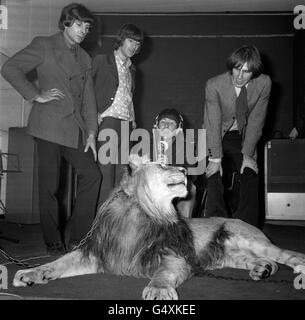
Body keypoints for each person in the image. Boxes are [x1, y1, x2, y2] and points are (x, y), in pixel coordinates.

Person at [1, 3, 102, 254]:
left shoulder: (86, 58)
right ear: (66, 23)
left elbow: (89, 99)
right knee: (50, 186)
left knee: (93, 175)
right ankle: (53, 241)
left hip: (75, 128)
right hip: (48, 125)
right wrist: (36, 95)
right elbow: (9, 68)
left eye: (87, 27)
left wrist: (91, 133)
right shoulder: (44, 44)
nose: (83, 31)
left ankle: (80, 239)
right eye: (79, 25)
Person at [203, 45, 271, 227]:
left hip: (243, 134)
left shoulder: (264, 83)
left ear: (254, 72)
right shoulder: (214, 85)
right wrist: (215, 158)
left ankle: (247, 227)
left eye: (247, 72)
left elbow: (257, 120)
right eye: (236, 69)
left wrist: (248, 155)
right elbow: (212, 122)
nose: (240, 76)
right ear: (231, 67)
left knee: (250, 172)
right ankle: (217, 224)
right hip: (216, 133)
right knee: (214, 173)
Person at [92, 23, 144, 206]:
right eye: (131, 41)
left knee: (122, 174)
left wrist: (133, 120)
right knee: (105, 172)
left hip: (126, 124)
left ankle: (115, 219)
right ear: (121, 40)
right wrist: (93, 114)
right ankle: (99, 222)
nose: (134, 46)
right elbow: (86, 88)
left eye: (137, 44)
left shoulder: (132, 69)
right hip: (107, 120)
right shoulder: (101, 60)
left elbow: (129, 97)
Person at [152, 108, 197, 218]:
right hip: (151, 186)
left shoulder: (187, 147)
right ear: (156, 125)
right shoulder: (146, 145)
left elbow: (191, 172)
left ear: (178, 129)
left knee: (191, 188)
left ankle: (184, 225)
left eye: (171, 123)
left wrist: (170, 167)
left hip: (174, 185)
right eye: (163, 121)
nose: (166, 125)